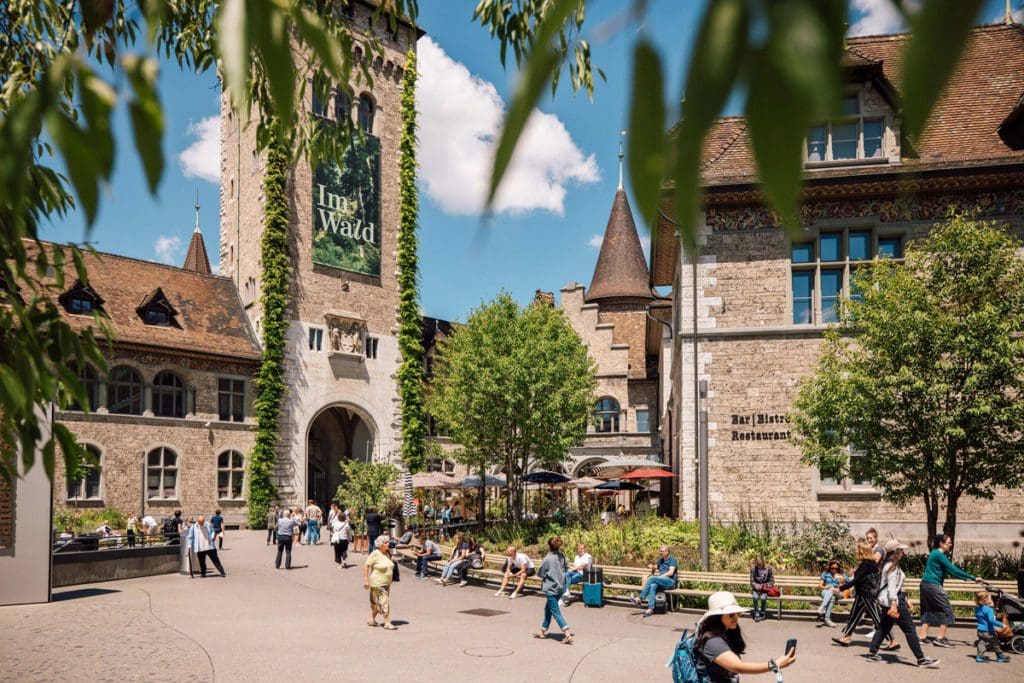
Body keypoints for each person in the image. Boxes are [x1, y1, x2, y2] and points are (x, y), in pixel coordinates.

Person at [866, 539, 940, 668]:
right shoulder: (891, 566)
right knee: (910, 629)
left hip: (890, 600)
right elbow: (891, 588)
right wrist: (895, 604)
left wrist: (906, 599)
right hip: (893, 601)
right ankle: (921, 659)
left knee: (884, 627)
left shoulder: (889, 564)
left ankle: (873, 652)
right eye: (901, 550)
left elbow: (897, 586)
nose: (903, 553)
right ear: (895, 552)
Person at [695, 591, 796, 682]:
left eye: (738, 613)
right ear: (716, 616)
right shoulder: (713, 641)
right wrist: (774, 665)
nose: (736, 617)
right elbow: (739, 667)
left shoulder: (727, 632)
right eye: (731, 614)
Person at [918, 533, 984, 648]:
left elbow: (951, 572)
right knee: (946, 610)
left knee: (929, 611)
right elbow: (953, 568)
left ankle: (922, 637)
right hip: (933, 585)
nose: (951, 544)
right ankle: (940, 638)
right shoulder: (939, 554)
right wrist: (973, 577)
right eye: (948, 542)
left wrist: (967, 579)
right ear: (941, 544)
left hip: (926, 585)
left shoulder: (935, 554)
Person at [832, 540, 896, 649]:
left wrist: (840, 588)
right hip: (863, 594)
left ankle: (893, 641)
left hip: (867, 596)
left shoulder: (866, 564)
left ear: (863, 551)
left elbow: (856, 580)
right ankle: (846, 637)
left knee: (877, 618)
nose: (856, 552)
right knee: (854, 616)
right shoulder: (870, 564)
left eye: (858, 550)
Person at [534, 536, 574, 645]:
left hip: (551, 588)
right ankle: (542, 631)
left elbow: (541, 573)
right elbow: (567, 568)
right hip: (560, 586)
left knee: (555, 611)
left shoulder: (547, 558)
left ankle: (567, 634)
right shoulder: (562, 556)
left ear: (549, 546)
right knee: (548, 609)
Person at [363, 535, 397, 630]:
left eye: (388, 542)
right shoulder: (375, 553)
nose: (388, 544)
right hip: (377, 583)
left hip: (387, 583)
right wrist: (366, 580)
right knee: (384, 602)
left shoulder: (388, 553)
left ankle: (372, 620)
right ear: (380, 544)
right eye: (386, 542)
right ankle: (387, 623)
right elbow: (366, 566)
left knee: (376, 604)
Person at [634, 545, 678, 618]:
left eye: (662, 551)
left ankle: (641, 598)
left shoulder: (672, 560)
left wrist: (659, 577)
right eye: (659, 550)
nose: (660, 552)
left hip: (670, 581)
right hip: (662, 581)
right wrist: (652, 567)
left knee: (652, 578)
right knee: (653, 585)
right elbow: (657, 566)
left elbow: (671, 572)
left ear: (667, 552)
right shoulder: (661, 560)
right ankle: (650, 609)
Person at [974, 590, 1010, 663]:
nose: (991, 600)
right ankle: (1000, 656)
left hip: (980, 630)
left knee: (982, 643)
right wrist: (1002, 624)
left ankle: (979, 657)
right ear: (985, 600)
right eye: (990, 598)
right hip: (988, 631)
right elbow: (991, 621)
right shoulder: (988, 610)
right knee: (995, 643)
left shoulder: (977, 609)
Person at [817, 559, 847, 628]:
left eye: (836, 568)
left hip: (838, 592)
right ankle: (827, 619)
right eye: (832, 568)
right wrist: (825, 587)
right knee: (832, 596)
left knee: (832, 588)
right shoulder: (825, 574)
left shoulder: (842, 574)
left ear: (838, 568)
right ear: (829, 567)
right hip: (826, 591)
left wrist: (842, 581)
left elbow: (847, 585)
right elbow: (820, 585)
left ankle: (822, 607)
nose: (834, 570)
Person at [748, 556, 774, 623]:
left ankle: (762, 612)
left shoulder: (768, 569)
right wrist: (755, 585)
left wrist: (765, 585)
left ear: (763, 562)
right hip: (756, 588)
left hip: (764, 588)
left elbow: (772, 581)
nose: (759, 566)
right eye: (758, 565)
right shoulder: (753, 569)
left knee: (763, 598)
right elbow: (752, 581)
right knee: (755, 597)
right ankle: (756, 613)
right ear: (756, 563)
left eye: (760, 564)